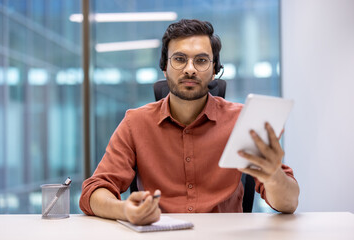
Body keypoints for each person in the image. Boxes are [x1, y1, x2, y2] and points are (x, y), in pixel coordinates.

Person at [79, 19, 300, 225]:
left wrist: (273, 176)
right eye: (179, 59)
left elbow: (288, 203)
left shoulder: (242, 121)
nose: (190, 69)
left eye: (201, 60)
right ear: (164, 67)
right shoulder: (135, 123)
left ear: (215, 71)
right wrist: (124, 211)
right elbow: (94, 192)